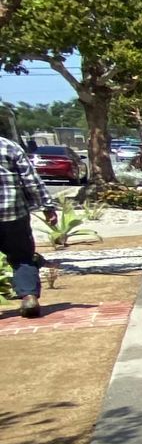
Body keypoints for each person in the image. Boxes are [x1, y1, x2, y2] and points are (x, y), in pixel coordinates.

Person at [0, 131, 58, 318]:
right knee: (22, 256)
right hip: (13, 214)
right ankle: (29, 296)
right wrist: (47, 206)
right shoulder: (8, 146)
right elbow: (31, 181)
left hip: (14, 213)